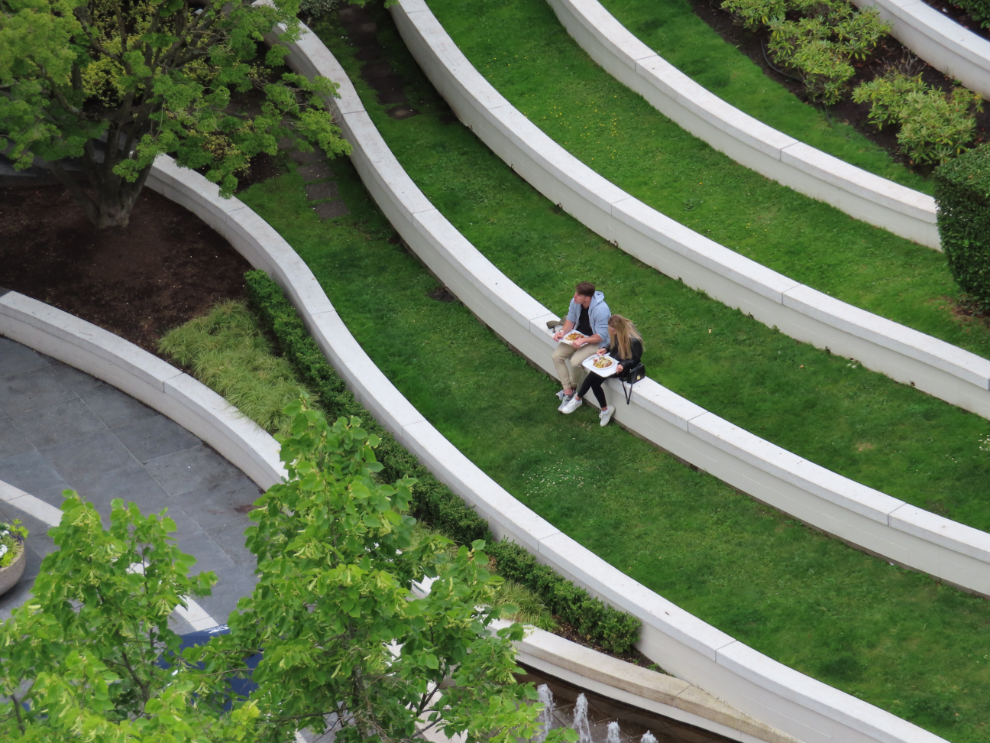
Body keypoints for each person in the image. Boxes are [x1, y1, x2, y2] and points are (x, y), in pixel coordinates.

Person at [560, 314, 643, 426]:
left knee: (593, 375)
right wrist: (605, 349)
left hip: (622, 369)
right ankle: (604, 410)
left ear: (620, 329)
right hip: (613, 362)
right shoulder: (617, 334)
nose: (612, 333)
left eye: (613, 331)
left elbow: (636, 360)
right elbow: (613, 345)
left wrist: (622, 365)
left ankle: (577, 399)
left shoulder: (634, 341)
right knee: (594, 383)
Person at [552, 282, 611, 411]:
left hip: (596, 342)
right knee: (557, 356)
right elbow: (571, 320)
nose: (575, 296)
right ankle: (568, 391)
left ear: (587, 298)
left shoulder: (601, 310)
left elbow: (601, 335)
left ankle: (574, 388)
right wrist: (562, 332)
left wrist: (583, 340)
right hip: (578, 336)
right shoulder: (576, 302)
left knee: (575, 362)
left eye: (578, 295)